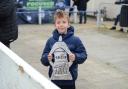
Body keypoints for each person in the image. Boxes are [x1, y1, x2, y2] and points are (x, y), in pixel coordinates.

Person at [40, 10, 87, 89]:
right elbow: (43, 59)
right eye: (58, 22)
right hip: (54, 80)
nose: (61, 25)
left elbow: (84, 55)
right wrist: (47, 58)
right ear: (55, 25)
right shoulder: (50, 41)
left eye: (64, 22)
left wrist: (75, 57)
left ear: (68, 24)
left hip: (70, 81)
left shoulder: (76, 40)